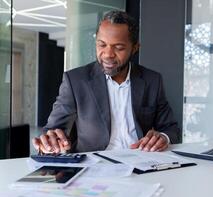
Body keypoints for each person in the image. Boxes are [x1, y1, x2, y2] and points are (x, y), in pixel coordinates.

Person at [32, 10, 180, 154]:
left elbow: (171, 129)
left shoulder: (152, 80)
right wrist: (49, 143)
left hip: (140, 161)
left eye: (119, 47)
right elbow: (53, 130)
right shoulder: (76, 81)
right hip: (93, 165)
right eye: (102, 45)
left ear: (135, 48)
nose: (108, 54)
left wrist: (163, 137)